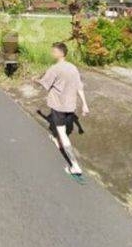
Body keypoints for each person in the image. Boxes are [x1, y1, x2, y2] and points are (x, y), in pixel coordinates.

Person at [35, 42, 89, 177]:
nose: (52, 53)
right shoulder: (73, 68)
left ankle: (75, 165)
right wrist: (85, 104)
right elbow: (79, 87)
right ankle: (56, 139)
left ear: (60, 53)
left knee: (63, 133)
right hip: (70, 106)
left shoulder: (54, 69)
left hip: (58, 105)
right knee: (62, 128)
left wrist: (35, 79)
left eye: (53, 51)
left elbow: (45, 84)